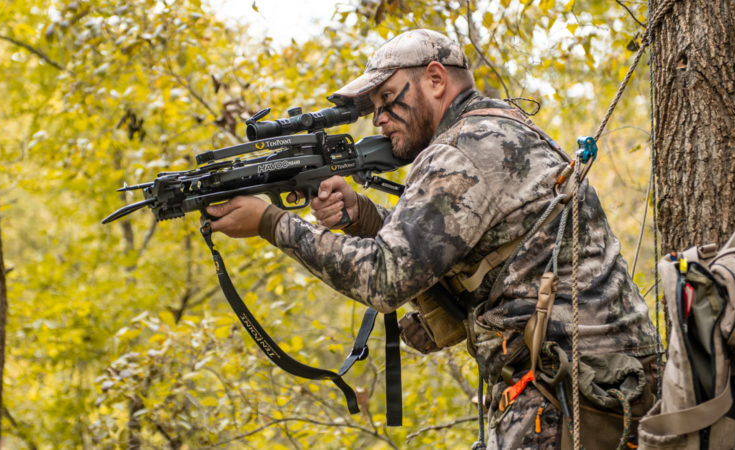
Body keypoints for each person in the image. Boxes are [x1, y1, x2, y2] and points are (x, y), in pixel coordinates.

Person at [206, 29, 660, 449]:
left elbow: (384, 279)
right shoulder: (503, 126)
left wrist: (269, 222)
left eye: (387, 99)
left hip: (568, 393)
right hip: (614, 385)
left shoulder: (459, 150)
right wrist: (362, 216)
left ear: (436, 79)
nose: (380, 119)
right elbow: (448, 246)